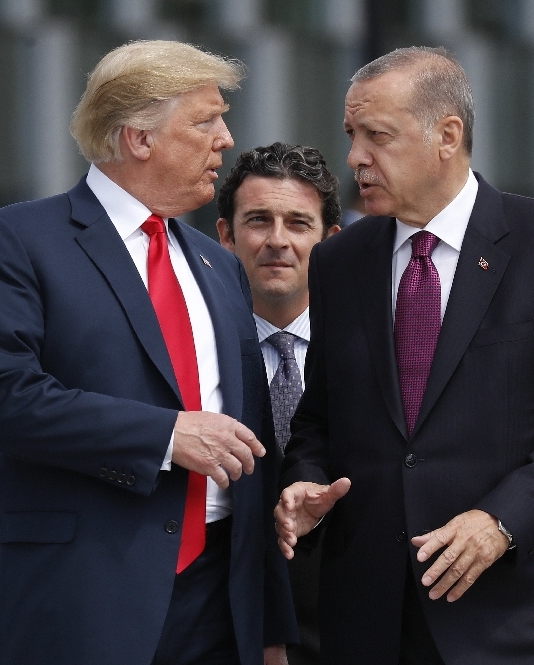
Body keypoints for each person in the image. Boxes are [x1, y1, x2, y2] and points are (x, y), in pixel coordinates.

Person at [274, 46, 534, 665]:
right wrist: (303, 480)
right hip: (369, 622)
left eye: (377, 136)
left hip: (513, 621)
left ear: (446, 136)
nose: (355, 157)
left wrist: (500, 521)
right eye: (352, 135)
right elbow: (320, 418)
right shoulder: (338, 262)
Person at [0, 41, 297, 665]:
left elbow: (250, 442)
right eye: (206, 121)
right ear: (140, 138)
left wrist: (270, 624)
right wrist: (166, 435)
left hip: (220, 609)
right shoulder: (17, 241)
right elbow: (1, 397)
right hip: (80, 601)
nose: (225, 140)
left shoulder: (218, 265)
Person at [216, 142, 341, 665]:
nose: (277, 240)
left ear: (331, 241)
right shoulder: (196, 352)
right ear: (225, 235)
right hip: (225, 622)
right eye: (258, 220)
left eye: (298, 223)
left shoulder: (372, 348)